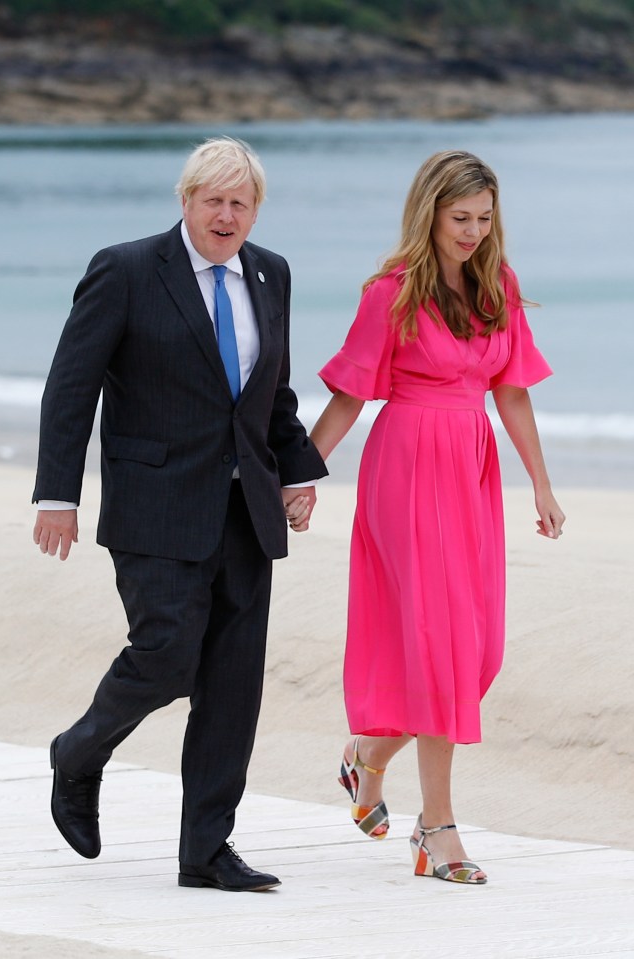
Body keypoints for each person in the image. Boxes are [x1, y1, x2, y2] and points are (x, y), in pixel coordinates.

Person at [32, 136, 326, 892]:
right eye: (213, 200)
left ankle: (205, 850)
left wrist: (296, 472)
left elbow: (272, 393)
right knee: (165, 650)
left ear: (256, 208)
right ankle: (79, 751)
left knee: (232, 682)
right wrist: (57, 494)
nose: (227, 215)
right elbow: (73, 385)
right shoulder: (127, 269)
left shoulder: (271, 273)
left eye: (241, 202)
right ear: (185, 200)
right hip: (154, 503)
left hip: (244, 508)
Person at [310, 150, 565, 885]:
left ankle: (367, 757)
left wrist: (541, 486)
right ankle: (437, 828)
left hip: (470, 467)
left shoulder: (498, 284)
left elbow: (511, 392)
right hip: (405, 465)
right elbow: (352, 395)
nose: (473, 233)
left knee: (474, 650)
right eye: (460, 219)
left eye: (484, 220)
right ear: (429, 212)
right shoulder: (389, 292)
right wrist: (300, 474)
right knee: (438, 644)